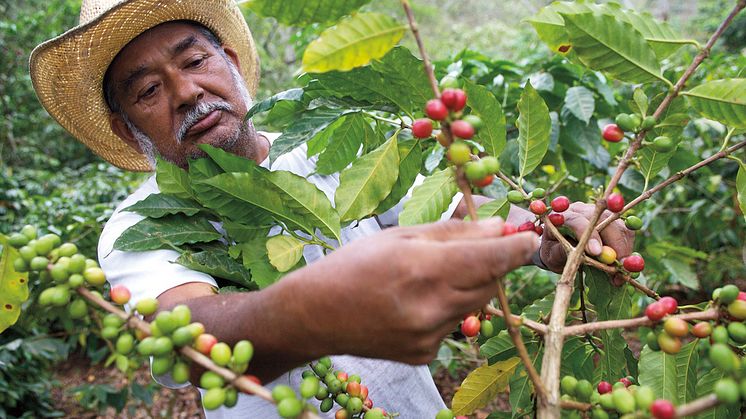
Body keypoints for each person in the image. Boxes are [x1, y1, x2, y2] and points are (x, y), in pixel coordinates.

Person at [30, 0, 634, 417]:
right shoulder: (137, 228)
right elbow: (190, 336)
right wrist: (321, 308)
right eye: (148, 90)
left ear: (232, 65)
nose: (187, 91)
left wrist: (539, 234)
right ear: (123, 123)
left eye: (193, 62)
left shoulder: (326, 142)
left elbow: (451, 230)